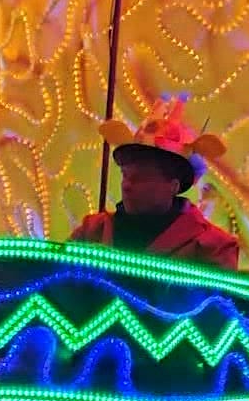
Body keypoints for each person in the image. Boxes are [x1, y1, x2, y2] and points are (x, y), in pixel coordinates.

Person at [73, 95, 240, 270]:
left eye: (141, 178)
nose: (127, 185)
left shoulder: (214, 246)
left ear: (173, 186)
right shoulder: (92, 231)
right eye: (125, 175)